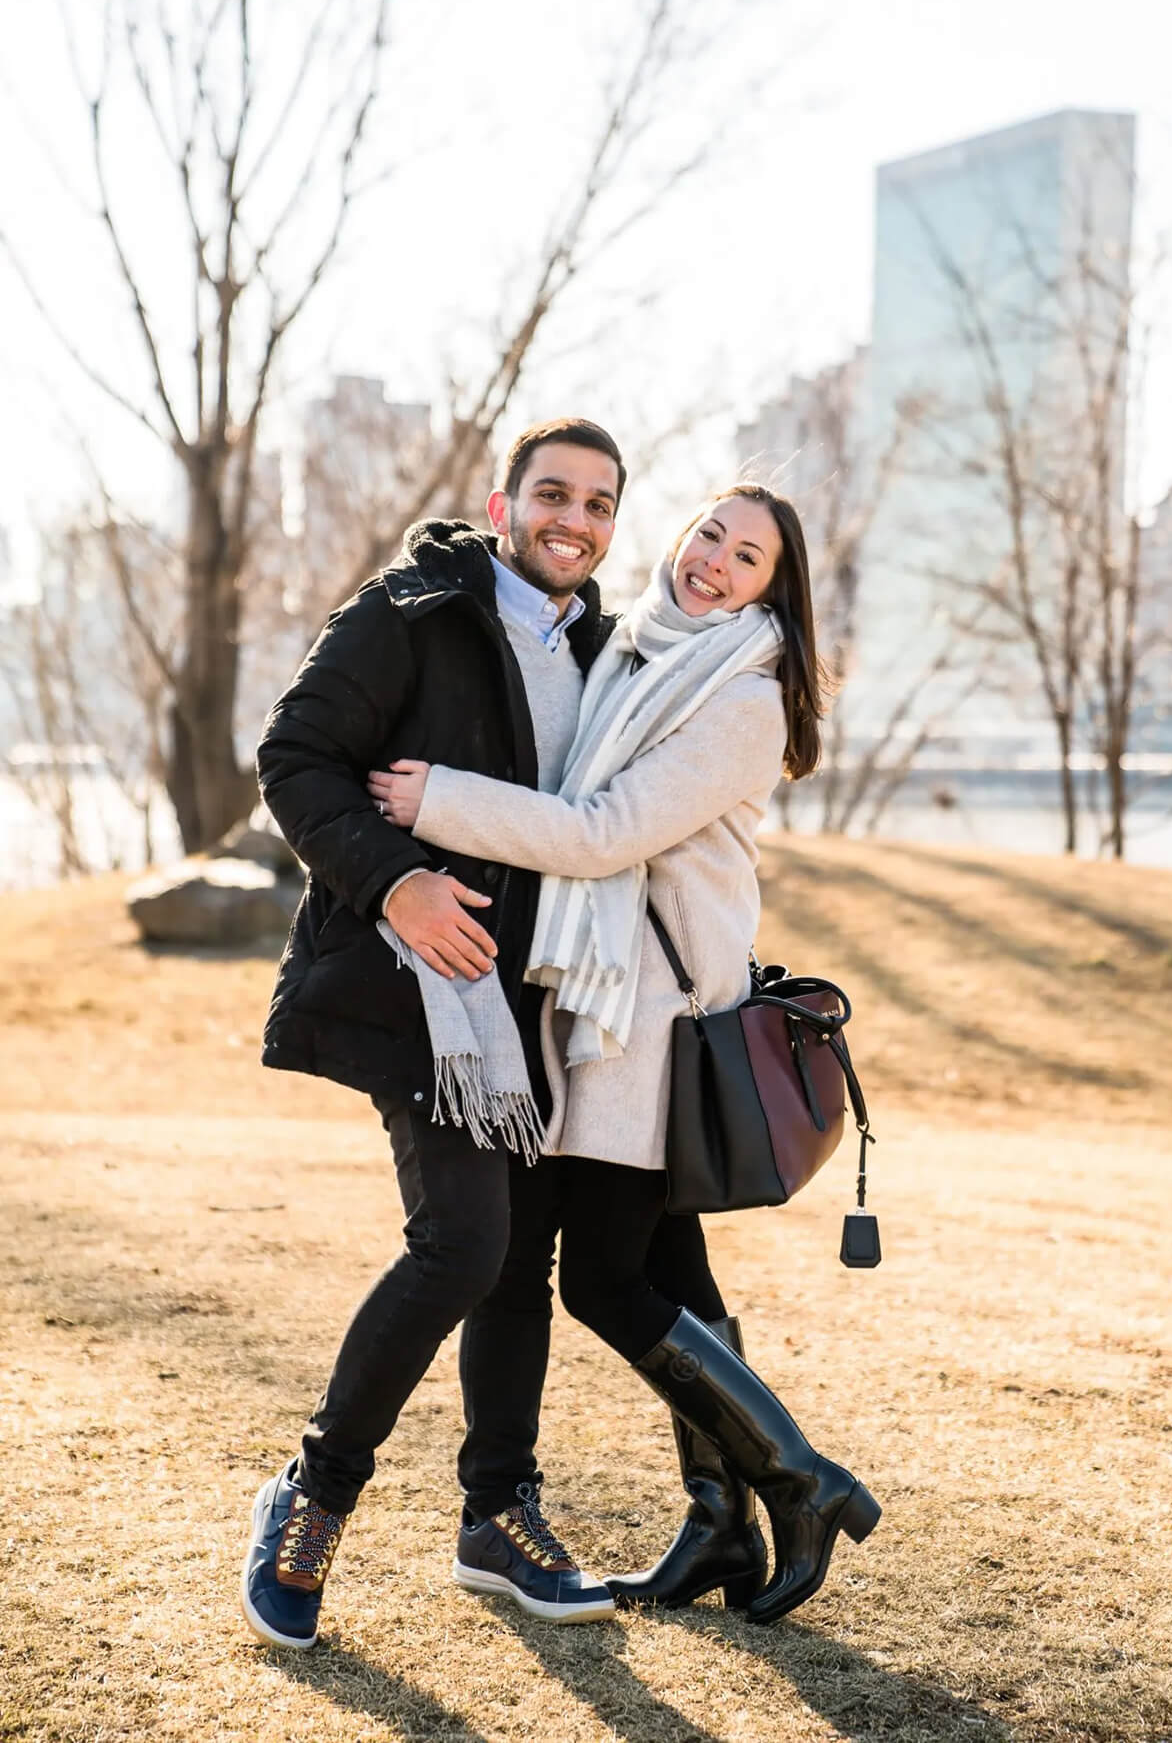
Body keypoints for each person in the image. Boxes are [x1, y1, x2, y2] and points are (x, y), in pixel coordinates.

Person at [369, 484, 881, 1626]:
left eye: (747, 557)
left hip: (649, 1025)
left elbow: (601, 833)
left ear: (771, 590)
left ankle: (800, 1480)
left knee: (606, 1276)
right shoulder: (639, 648)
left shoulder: (742, 695)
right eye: (710, 533)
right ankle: (721, 1524)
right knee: (673, 1272)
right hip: (600, 1008)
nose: (715, 562)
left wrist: (435, 799)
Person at [241, 418, 638, 1649]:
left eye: (600, 502)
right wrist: (395, 880)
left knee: (519, 1260)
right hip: (424, 995)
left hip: (545, 1004)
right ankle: (311, 1492)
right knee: (463, 1243)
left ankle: (496, 1512)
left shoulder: (611, 651)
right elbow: (294, 756)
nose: (574, 517)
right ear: (502, 500)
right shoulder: (408, 611)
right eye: (553, 493)